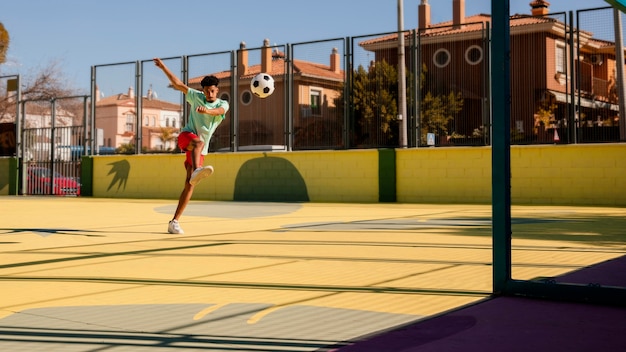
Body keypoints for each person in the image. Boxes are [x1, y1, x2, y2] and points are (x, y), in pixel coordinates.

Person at [153, 58, 229, 234]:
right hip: (186, 138)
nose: (210, 94)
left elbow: (219, 111)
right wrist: (163, 67)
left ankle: (174, 222)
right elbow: (178, 84)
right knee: (198, 142)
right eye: (207, 91)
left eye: (212, 91)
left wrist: (207, 111)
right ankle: (197, 170)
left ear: (217, 90)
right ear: (202, 91)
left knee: (189, 185)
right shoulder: (196, 97)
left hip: (199, 151)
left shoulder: (222, 104)